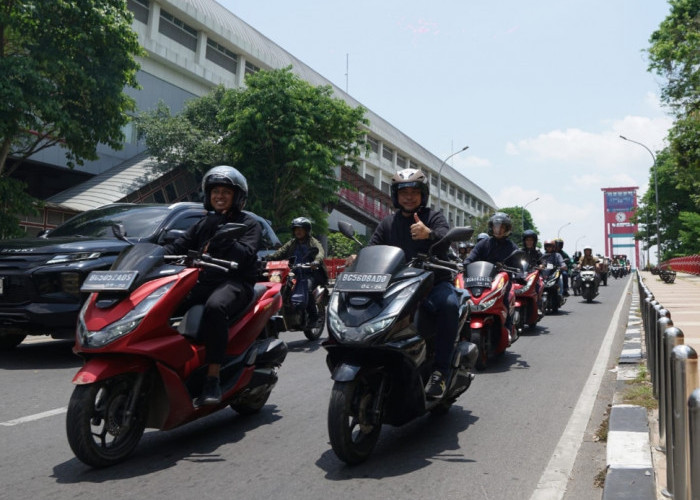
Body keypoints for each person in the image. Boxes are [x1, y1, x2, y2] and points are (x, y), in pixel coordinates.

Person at [346, 168, 457, 399]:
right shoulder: (387, 223)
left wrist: (430, 235)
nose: (408, 196)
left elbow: (446, 242)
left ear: (423, 194)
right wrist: (359, 257)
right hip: (398, 287)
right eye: (403, 191)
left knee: (449, 305)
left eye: (414, 191)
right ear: (395, 195)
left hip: (433, 283)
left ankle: (440, 372)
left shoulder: (434, 217)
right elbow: (373, 248)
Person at [164, 165, 261, 406]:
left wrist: (223, 236)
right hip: (203, 280)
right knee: (163, 304)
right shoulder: (203, 222)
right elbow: (178, 245)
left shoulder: (249, 224)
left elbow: (246, 254)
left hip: (235, 283)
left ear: (237, 196)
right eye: (215, 191)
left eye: (226, 192)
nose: (219, 196)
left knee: (215, 307)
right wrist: (152, 254)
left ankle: (212, 377)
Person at [462, 212, 519, 339]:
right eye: (495, 226)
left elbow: (519, 263)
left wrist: (519, 270)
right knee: (464, 298)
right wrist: (465, 264)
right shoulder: (484, 243)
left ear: (507, 228)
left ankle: (508, 328)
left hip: (501, 281)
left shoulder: (512, 246)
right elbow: (471, 257)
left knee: (505, 299)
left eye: (501, 227)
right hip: (481, 278)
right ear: (491, 227)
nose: (498, 229)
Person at [266, 216, 328, 327]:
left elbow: (320, 252)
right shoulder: (292, 243)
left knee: (307, 291)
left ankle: (314, 317)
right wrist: (267, 258)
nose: (298, 231)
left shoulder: (313, 242)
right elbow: (280, 253)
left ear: (306, 230)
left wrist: (316, 262)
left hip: (310, 273)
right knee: (282, 288)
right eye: (296, 229)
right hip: (293, 273)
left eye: (301, 229)